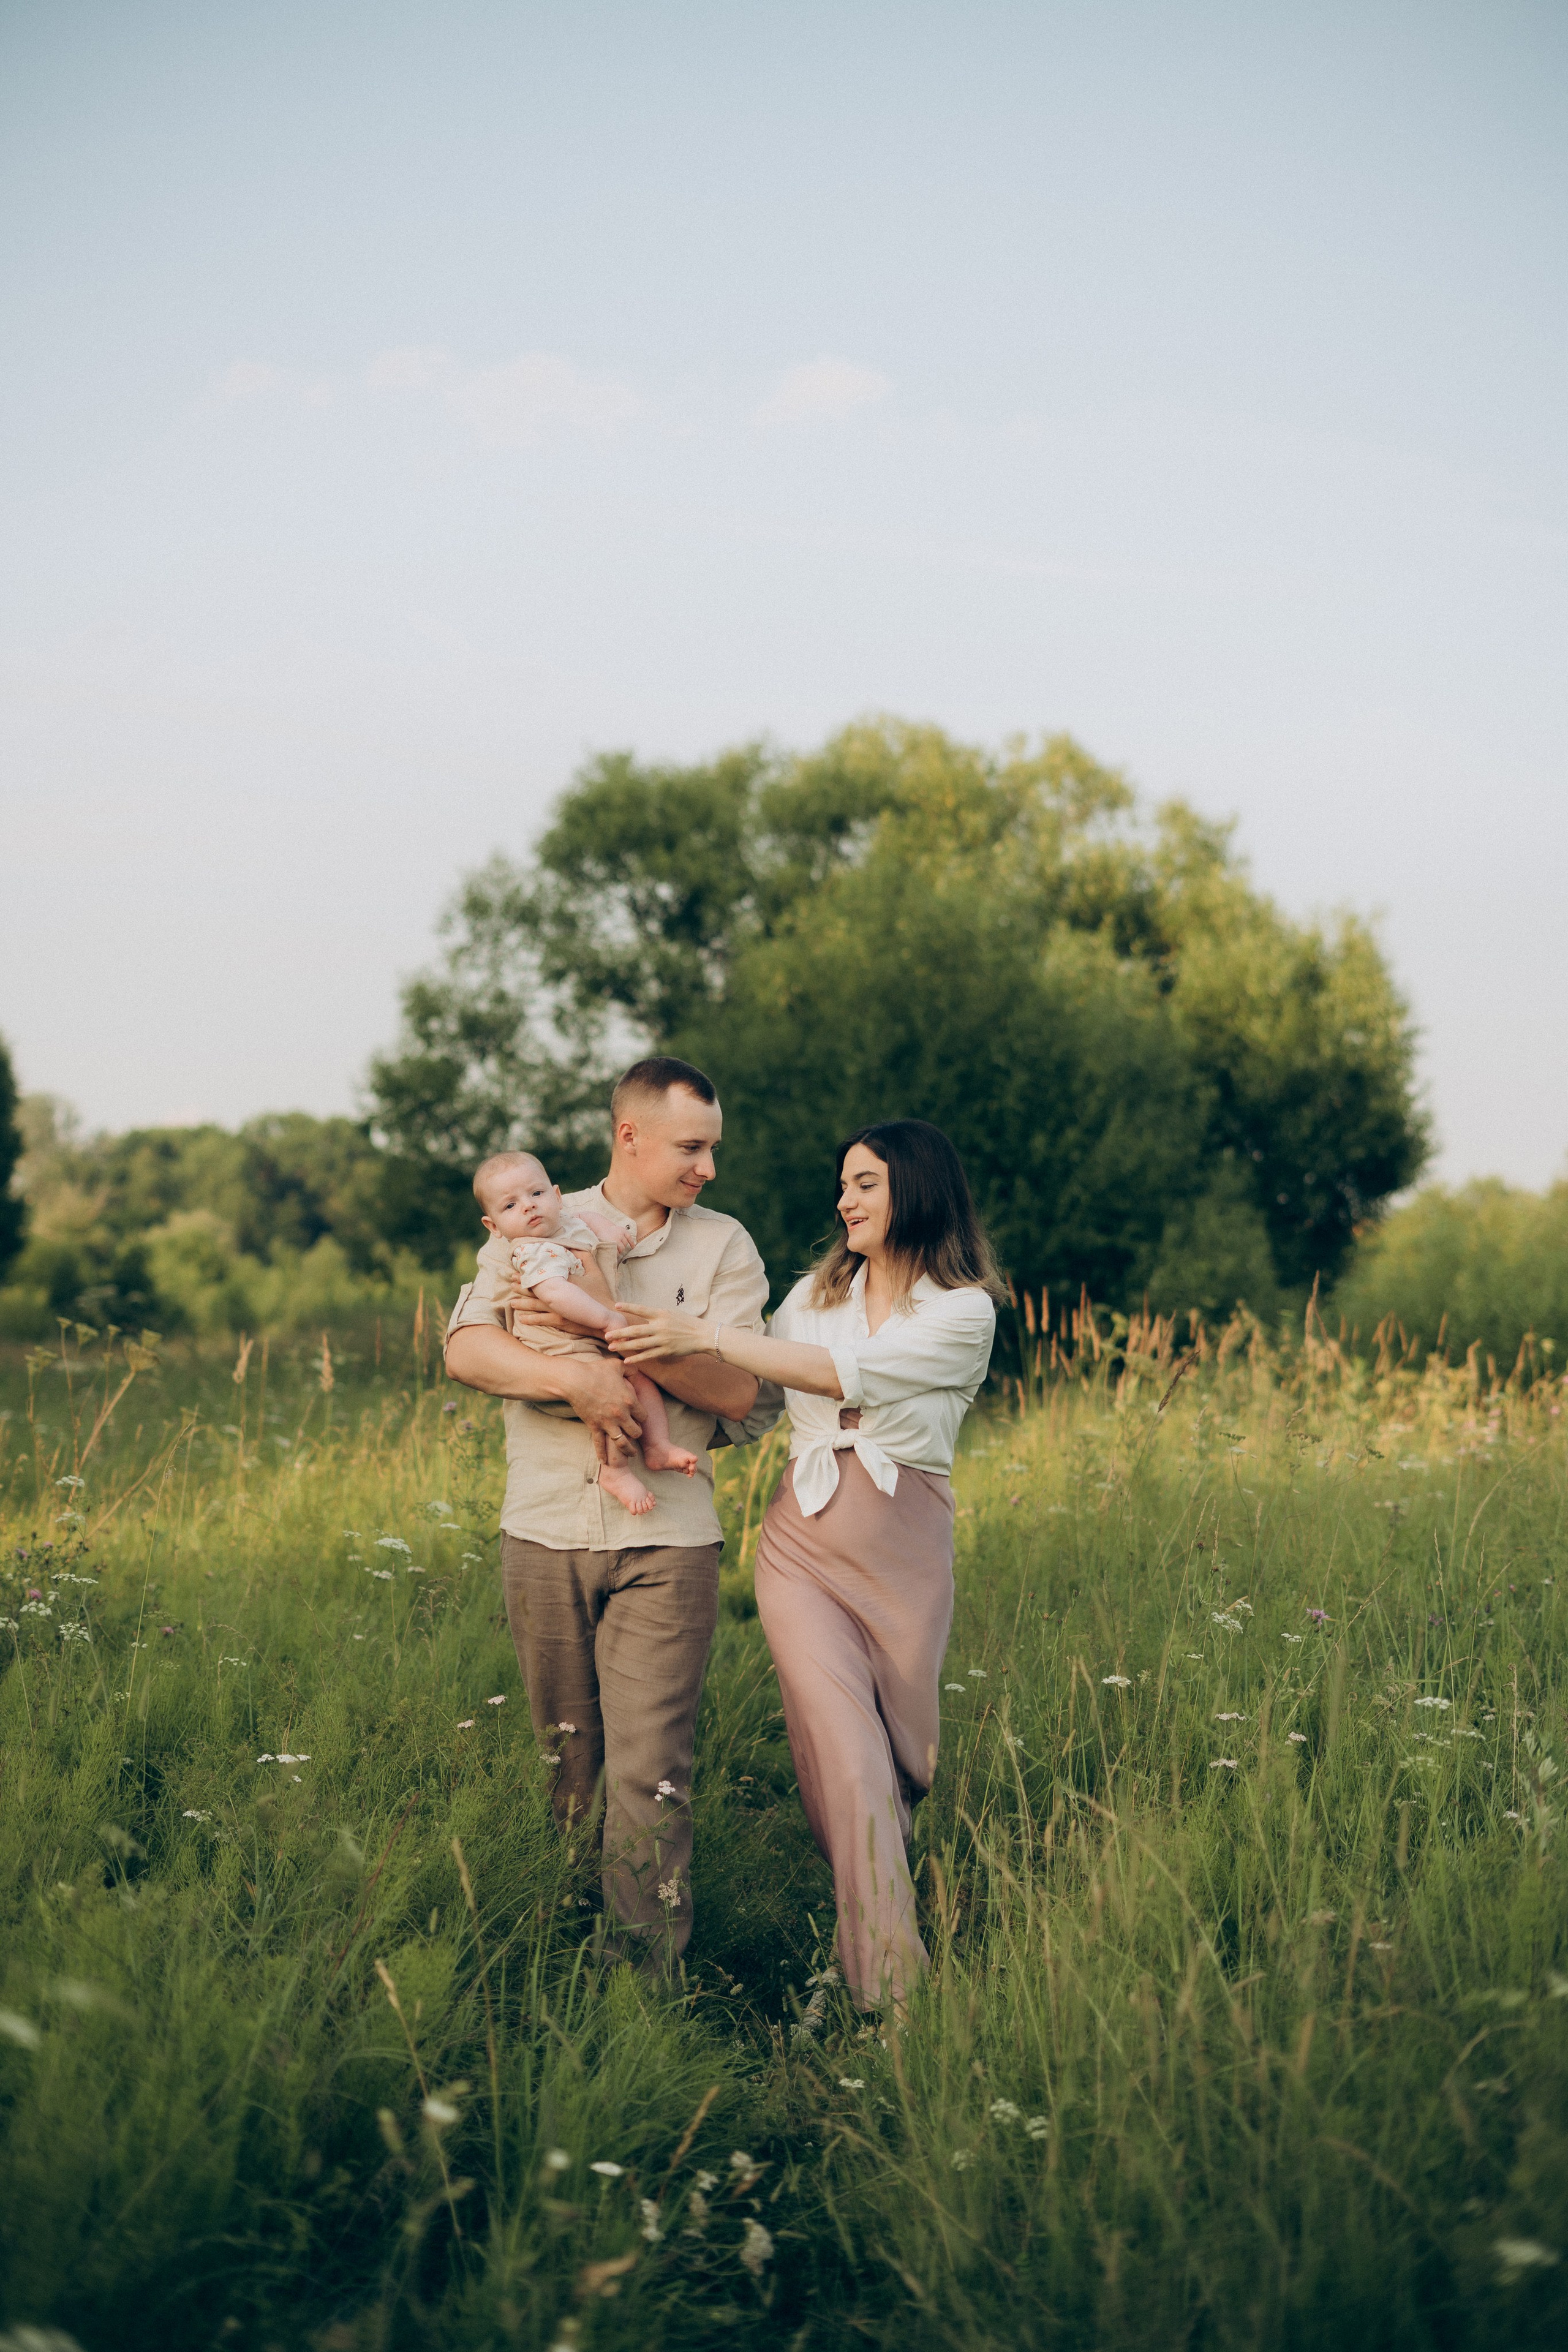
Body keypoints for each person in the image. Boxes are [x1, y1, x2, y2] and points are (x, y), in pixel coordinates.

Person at [612, 1118, 1001, 2013]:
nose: (845, 1200)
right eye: (844, 1184)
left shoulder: (962, 1310)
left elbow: (839, 1373)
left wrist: (702, 1334)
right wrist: (633, 1368)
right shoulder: (806, 1297)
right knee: (851, 1761)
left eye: (864, 1183)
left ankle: (873, 1908)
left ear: (918, 1187)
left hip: (906, 1553)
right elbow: (756, 1400)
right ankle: (893, 1997)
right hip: (801, 1548)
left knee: (905, 1766)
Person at [443, 1058, 780, 1964]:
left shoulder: (725, 1246)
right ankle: (557, 1945)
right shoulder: (534, 1216)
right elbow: (471, 1350)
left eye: (712, 1148)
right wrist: (578, 1381)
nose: (708, 1166)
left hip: (669, 1540)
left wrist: (630, 1338)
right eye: (692, 1146)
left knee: (654, 1772)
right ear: (631, 1136)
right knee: (567, 1765)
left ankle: (644, 1984)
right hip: (544, 1528)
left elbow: (740, 1388)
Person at [466, 1148, 700, 1515]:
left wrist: (607, 1228)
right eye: (510, 1206)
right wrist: (607, 1319)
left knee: (641, 1382)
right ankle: (615, 1471)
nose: (528, 1207)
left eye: (536, 1194)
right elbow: (558, 1294)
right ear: (493, 1227)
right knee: (610, 1395)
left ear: (557, 1196)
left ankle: (658, 1446)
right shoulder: (532, 1252)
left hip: (589, 1344)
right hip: (561, 1350)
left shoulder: (567, 1224)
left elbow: (585, 1217)